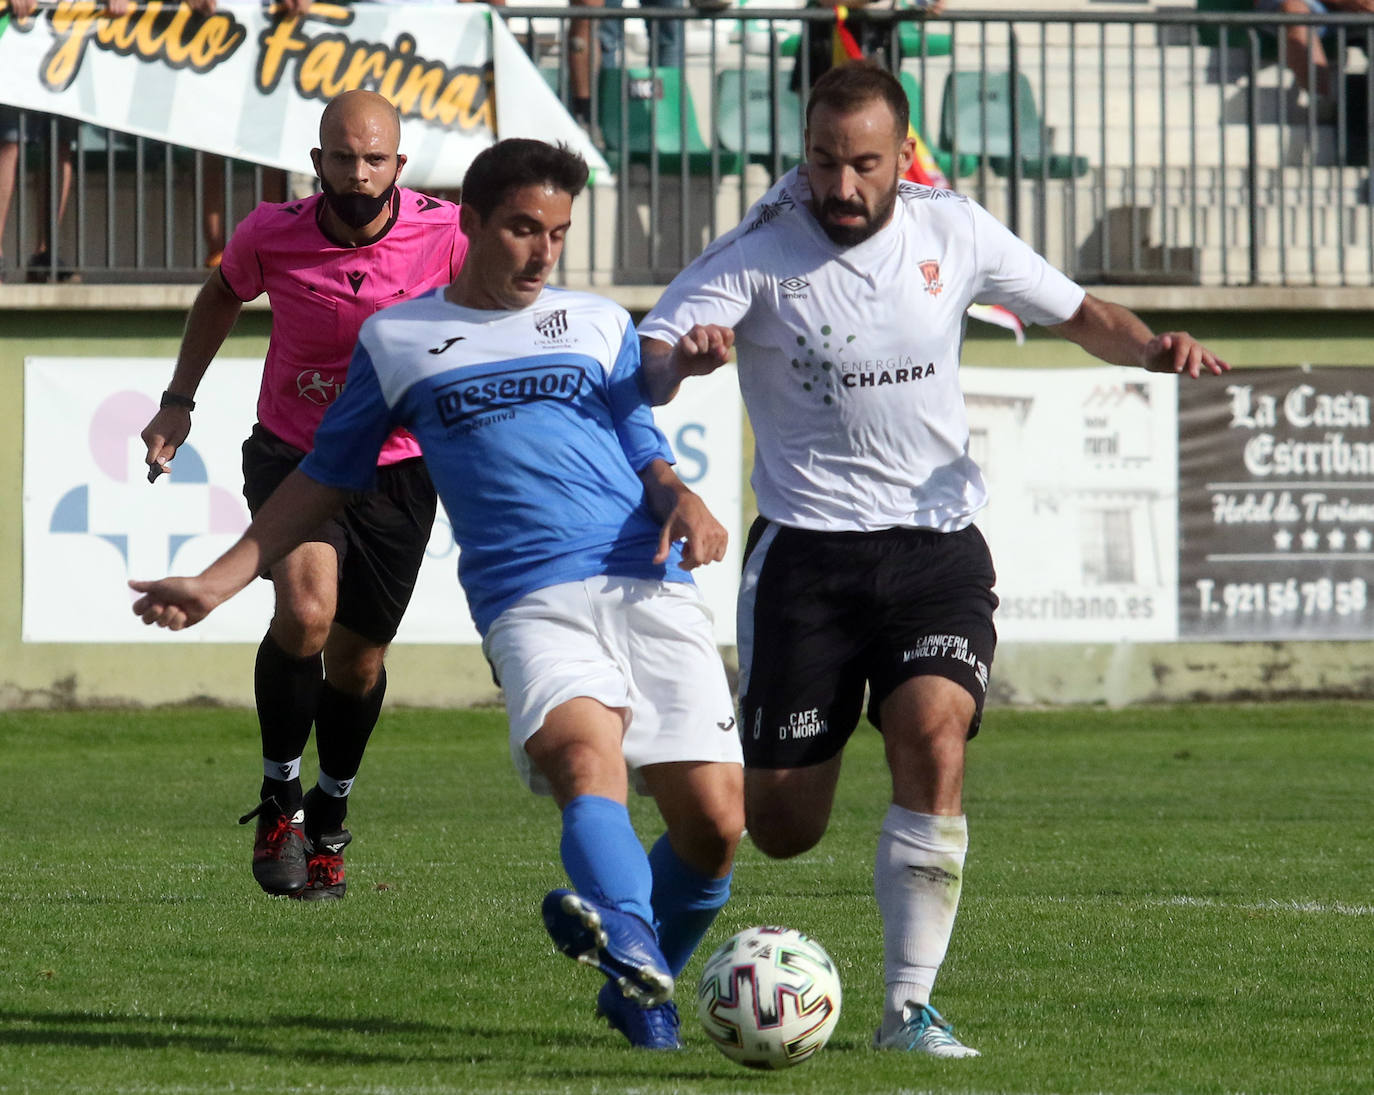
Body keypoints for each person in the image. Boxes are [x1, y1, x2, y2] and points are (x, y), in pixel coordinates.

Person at [637, 62, 1230, 1058]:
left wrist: (1151, 346)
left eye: (863, 164)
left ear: (901, 155)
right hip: (807, 560)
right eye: (823, 161)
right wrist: (682, 362)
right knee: (781, 827)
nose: (840, 185)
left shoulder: (952, 228)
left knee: (935, 734)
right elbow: (649, 357)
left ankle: (907, 1009)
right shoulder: (760, 246)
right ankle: (672, 809)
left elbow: (1078, 310)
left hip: (936, 548)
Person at [131, 137, 744, 1051]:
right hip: (529, 597)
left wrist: (681, 495)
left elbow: (642, 446)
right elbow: (322, 478)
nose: (543, 253)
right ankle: (631, 949)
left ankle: (634, 975)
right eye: (523, 229)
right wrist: (217, 584)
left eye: (558, 233)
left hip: (649, 583)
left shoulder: (597, 323)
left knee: (716, 827)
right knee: (586, 763)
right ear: (472, 222)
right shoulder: (400, 339)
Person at [139, 89, 467, 902]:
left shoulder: (448, 233)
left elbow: (494, 316)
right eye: (343, 158)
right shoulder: (270, 232)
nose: (359, 173)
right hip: (296, 453)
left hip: (399, 466)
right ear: (317, 161)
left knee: (357, 663)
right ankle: (279, 796)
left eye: (375, 158)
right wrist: (178, 400)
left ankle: (330, 811)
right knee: (306, 610)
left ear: (400, 163)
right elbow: (222, 293)